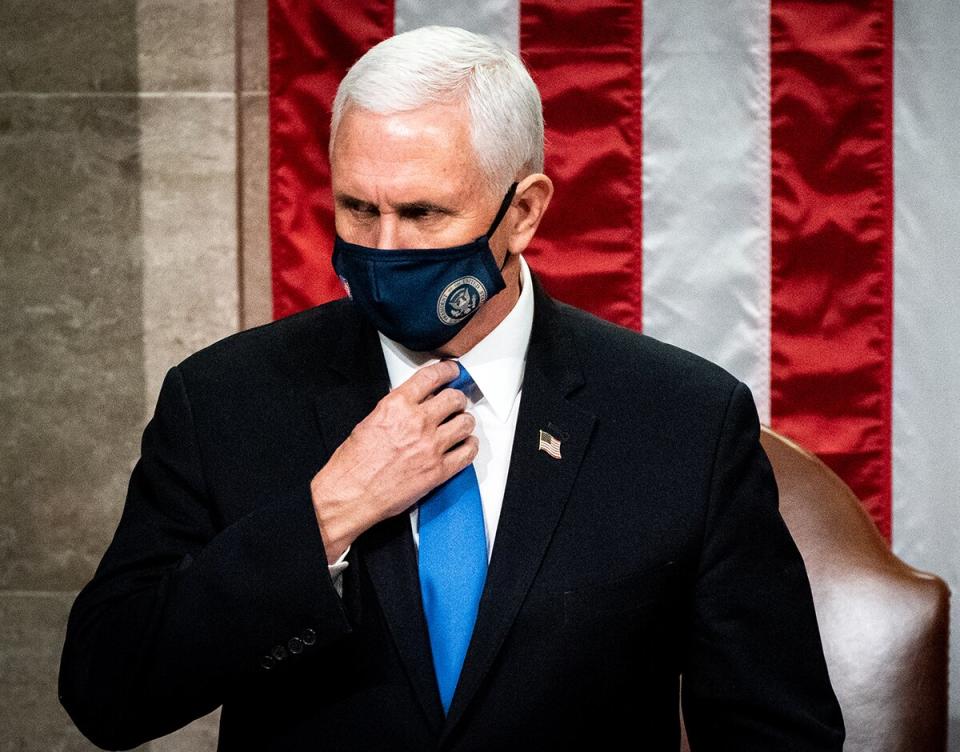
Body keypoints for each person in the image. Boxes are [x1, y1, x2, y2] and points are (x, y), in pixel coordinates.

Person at [59, 25, 844, 751]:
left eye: (423, 212)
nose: (383, 246)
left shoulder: (683, 421)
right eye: (357, 208)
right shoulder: (224, 400)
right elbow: (108, 693)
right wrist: (328, 514)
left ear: (525, 211)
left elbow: (776, 731)